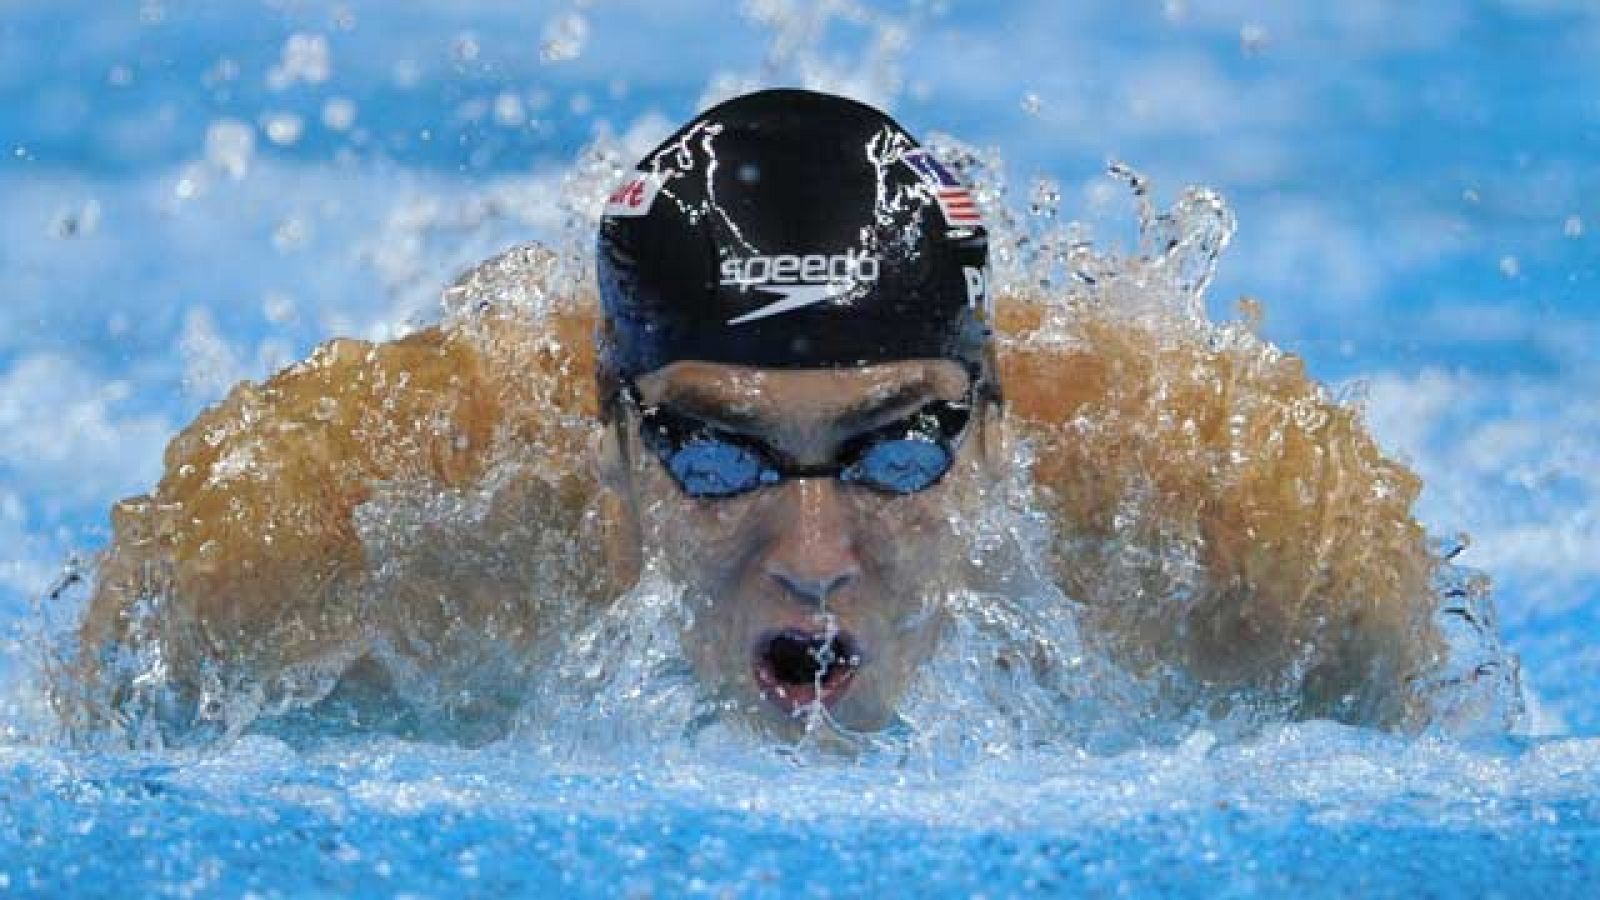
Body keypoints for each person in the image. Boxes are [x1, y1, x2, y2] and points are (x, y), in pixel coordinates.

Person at [65, 89, 1521, 749]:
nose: (815, 552)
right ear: (608, 439)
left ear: (999, 427)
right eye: (713, 452)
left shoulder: (1256, 552)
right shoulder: (328, 542)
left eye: (898, 447)